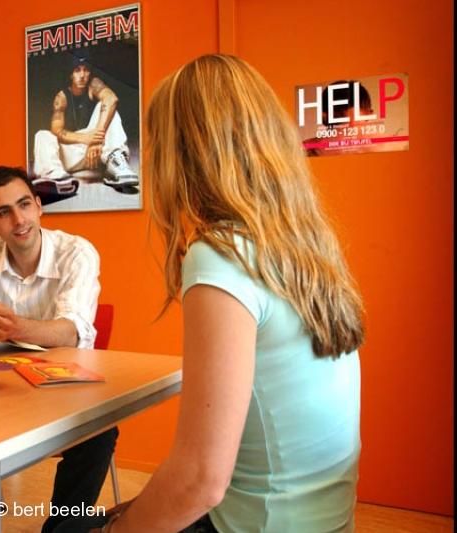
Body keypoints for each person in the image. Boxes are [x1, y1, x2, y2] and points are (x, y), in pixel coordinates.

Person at [59, 54, 364, 532]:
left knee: (71, 526)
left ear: (185, 153)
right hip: (325, 520)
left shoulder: (222, 256)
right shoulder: (306, 244)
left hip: (256, 524)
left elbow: (201, 481)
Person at [0, 165, 118, 533]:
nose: (18, 221)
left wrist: (17, 328)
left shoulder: (76, 252)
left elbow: (72, 332)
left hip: (61, 387)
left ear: (39, 205)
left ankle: (62, 529)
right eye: (3, 212)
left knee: (100, 433)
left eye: (24, 205)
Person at [33, 52, 139, 189]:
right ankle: (53, 174)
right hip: (72, 154)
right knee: (42, 135)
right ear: (71, 74)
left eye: (86, 70)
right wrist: (86, 139)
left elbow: (111, 99)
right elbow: (57, 130)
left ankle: (117, 164)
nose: (82, 75)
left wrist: (96, 140)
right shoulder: (62, 97)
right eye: (77, 70)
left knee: (106, 107)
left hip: (99, 150)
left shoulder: (94, 85)